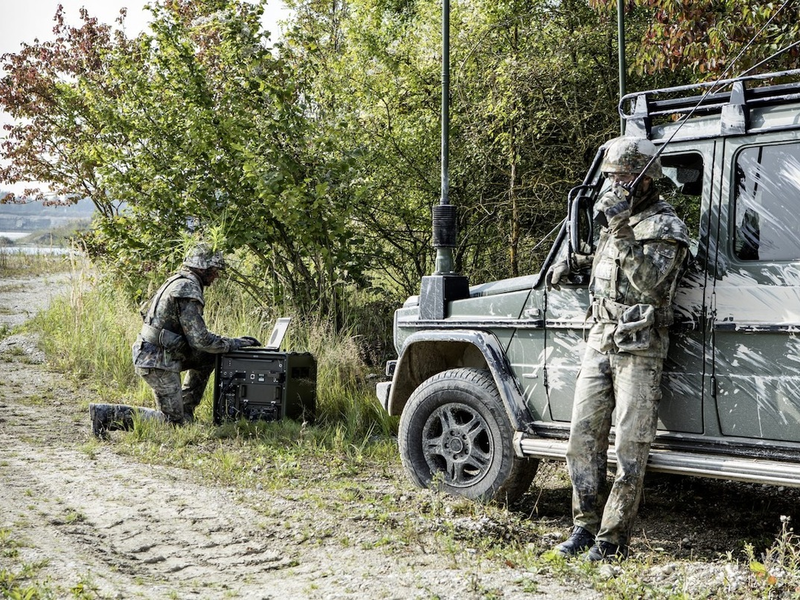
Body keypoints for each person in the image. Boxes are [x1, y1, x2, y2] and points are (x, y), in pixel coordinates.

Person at [546, 136, 690, 562]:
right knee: (581, 440)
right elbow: (609, 264)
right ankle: (583, 528)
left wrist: (621, 228)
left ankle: (611, 540)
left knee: (630, 447)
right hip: (600, 339)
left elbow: (648, 282)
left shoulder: (667, 227)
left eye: (626, 175)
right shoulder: (617, 222)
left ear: (648, 179)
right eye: (612, 175)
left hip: (639, 348)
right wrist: (575, 262)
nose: (617, 183)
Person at [90, 243, 261, 437]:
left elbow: (199, 343)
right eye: (214, 270)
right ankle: (104, 415)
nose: (216, 276)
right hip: (156, 360)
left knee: (208, 357)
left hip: (163, 354)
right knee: (171, 424)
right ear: (202, 268)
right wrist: (234, 343)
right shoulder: (187, 288)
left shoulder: (180, 281)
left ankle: (186, 411)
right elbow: (200, 340)